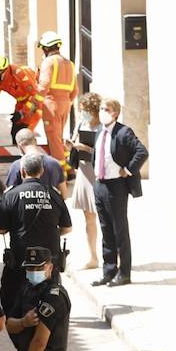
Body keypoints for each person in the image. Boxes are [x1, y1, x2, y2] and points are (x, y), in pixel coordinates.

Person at [0, 153, 72, 351]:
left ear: (22, 172)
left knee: (11, 301)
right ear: (42, 171)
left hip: (20, 264)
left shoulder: (11, 195)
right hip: (49, 265)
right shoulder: (54, 195)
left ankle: (23, 349)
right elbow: (67, 227)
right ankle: (45, 350)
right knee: (50, 304)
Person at [91, 98, 149, 288]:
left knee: (119, 230)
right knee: (106, 229)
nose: (102, 112)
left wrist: (129, 169)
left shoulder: (123, 132)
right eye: (100, 109)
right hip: (100, 184)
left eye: (106, 109)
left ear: (115, 113)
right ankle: (109, 270)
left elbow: (141, 152)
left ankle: (124, 273)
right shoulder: (100, 130)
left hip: (116, 186)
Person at [66, 92, 104, 270]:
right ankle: (93, 257)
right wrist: (71, 145)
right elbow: (75, 140)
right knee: (88, 217)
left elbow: (106, 151)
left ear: (94, 110)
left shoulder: (103, 126)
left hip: (97, 171)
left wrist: (87, 148)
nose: (82, 113)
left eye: (85, 110)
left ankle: (113, 256)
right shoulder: (81, 123)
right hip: (83, 170)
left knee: (105, 217)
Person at [36, 32, 79, 166]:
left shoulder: (48, 62)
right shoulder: (69, 64)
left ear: (46, 48)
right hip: (65, 103)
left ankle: (61, 174)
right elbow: (75, 89)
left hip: (51, 103)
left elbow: (44, 85)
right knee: (59, 136)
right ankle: (69, 168)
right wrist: (68, 101)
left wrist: (34, 103)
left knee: (53, 138)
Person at [0, 55, 44, 141]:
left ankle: (30, 152)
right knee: (15, 132)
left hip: (34, 104)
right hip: (20, 103)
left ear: (2, 71)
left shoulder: (19, 74)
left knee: (25, 134)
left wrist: (22, 112)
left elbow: (35, 95)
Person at [4, 128, 67, 198]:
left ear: (19, 146)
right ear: (35, 141)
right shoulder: (55, 164)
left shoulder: (16, 166)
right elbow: (64, 195)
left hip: (24, 208)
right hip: (51, 208)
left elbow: (8, 196)